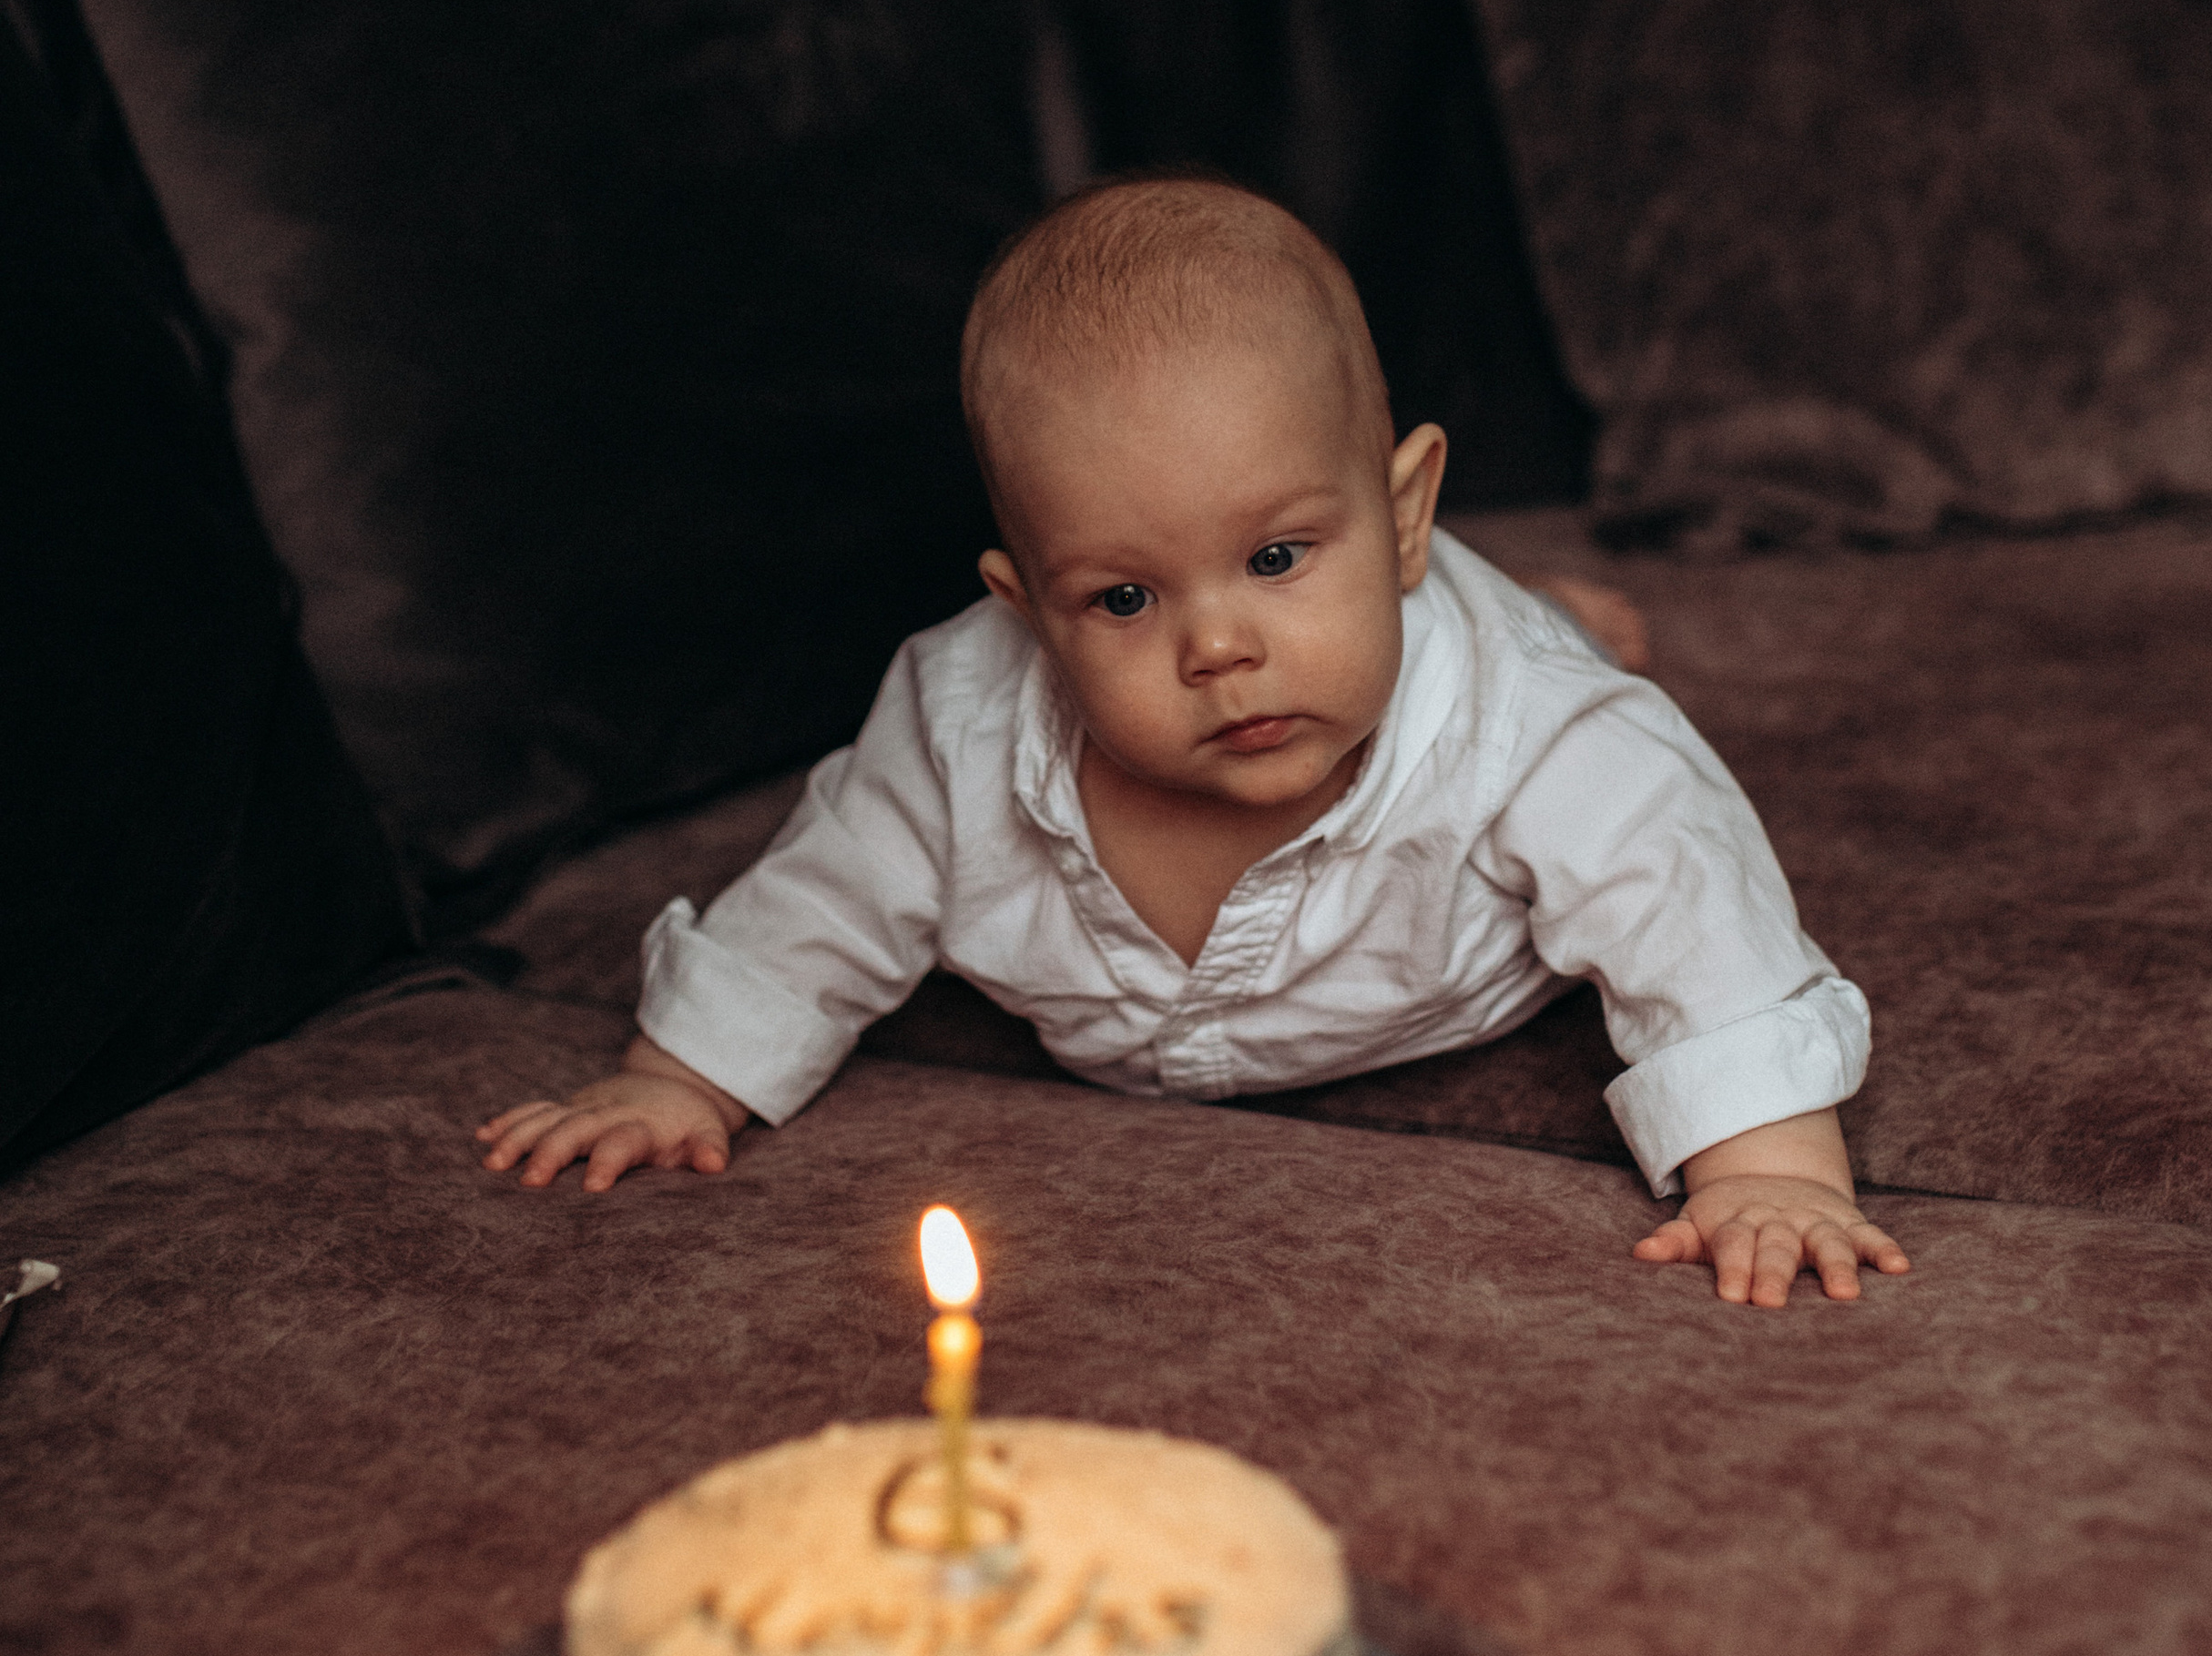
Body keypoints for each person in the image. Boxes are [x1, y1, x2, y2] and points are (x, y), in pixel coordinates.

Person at [479, 178, 1909, 1310]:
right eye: (1124, 597)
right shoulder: (959, 721)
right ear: (1028, 611)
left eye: (1277, 555)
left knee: (1541, 665)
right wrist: (681, 1078)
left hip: (1479, 811)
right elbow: (824, 896)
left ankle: (1541, 611)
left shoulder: (1541, 742)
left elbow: (1689, 901)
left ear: (1405, 510)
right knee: (1351, 632)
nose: (1216, 648)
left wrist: (1766, 1168)